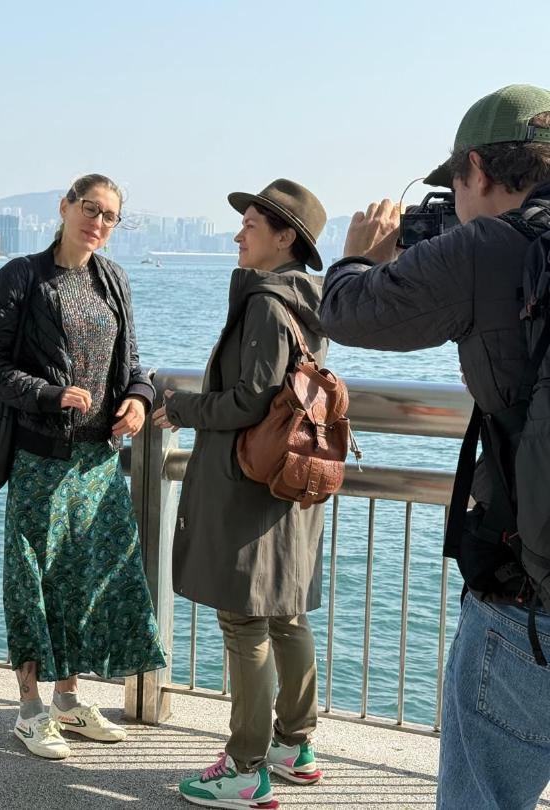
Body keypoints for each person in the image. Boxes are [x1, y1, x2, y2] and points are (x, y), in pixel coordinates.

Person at [318, 84, 550, 810]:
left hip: (529, 604)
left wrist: (357, 259)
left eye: (455, 184)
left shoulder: (490, 247)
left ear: (477, 167)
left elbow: (350, 313)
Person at [0, 173, 166, 760]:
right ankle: (29, 709)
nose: (97, 222)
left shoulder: (113, 278)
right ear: (64, 207)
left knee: (85, 582)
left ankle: (69, 699)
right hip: (40, 458)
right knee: (34, 580)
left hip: (98, 462)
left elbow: (131, 361)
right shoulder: (22, 276)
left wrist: (138, 399)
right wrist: (48, 395)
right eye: (89, 208)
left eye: (109, 216)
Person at [153, 179, 329, 808]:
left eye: (250, 224)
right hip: (287, 480)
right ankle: (294, 745)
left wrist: (178, 406)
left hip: (249, 484)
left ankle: (246, 768)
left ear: (285, 238)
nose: (237, 233)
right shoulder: (309, 302)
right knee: (285, 613)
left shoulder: (264, 303)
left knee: (246, 620)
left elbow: (249, 400)